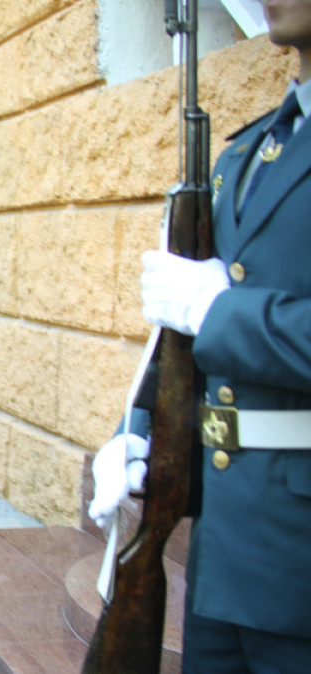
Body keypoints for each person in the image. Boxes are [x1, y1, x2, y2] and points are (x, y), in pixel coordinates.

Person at [89, 3, 311, 669]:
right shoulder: (246, 153)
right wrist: (142, 432)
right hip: (224, 554)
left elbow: (208, 315)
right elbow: (182, 348)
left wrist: (219, 309)